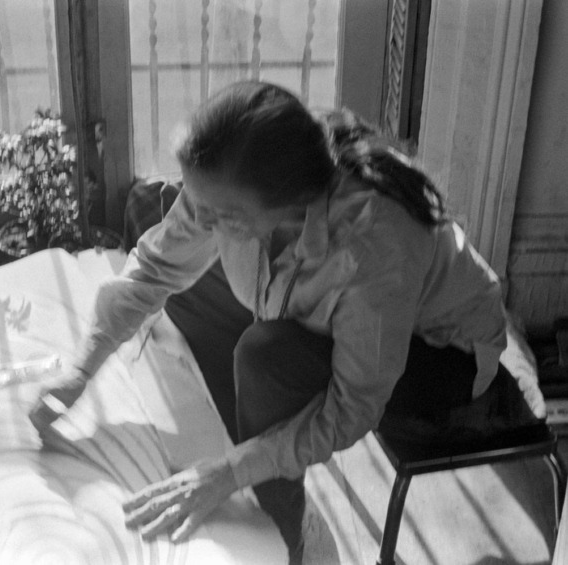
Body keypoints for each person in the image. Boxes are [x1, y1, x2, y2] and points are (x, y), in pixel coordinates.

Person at [28, 81, 518, 562]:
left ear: (290, 203)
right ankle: (249, 445)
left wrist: (229, 470)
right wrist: (81, 370)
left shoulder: (371, 246)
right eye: (204, 207)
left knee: (262, 357)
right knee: (175, 266)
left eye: (225, 216)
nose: (205, 220)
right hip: (354, 310)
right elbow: (156, 267)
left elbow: (352, 410)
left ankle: (280, 537)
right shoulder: (242, 185)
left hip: (441, 356)